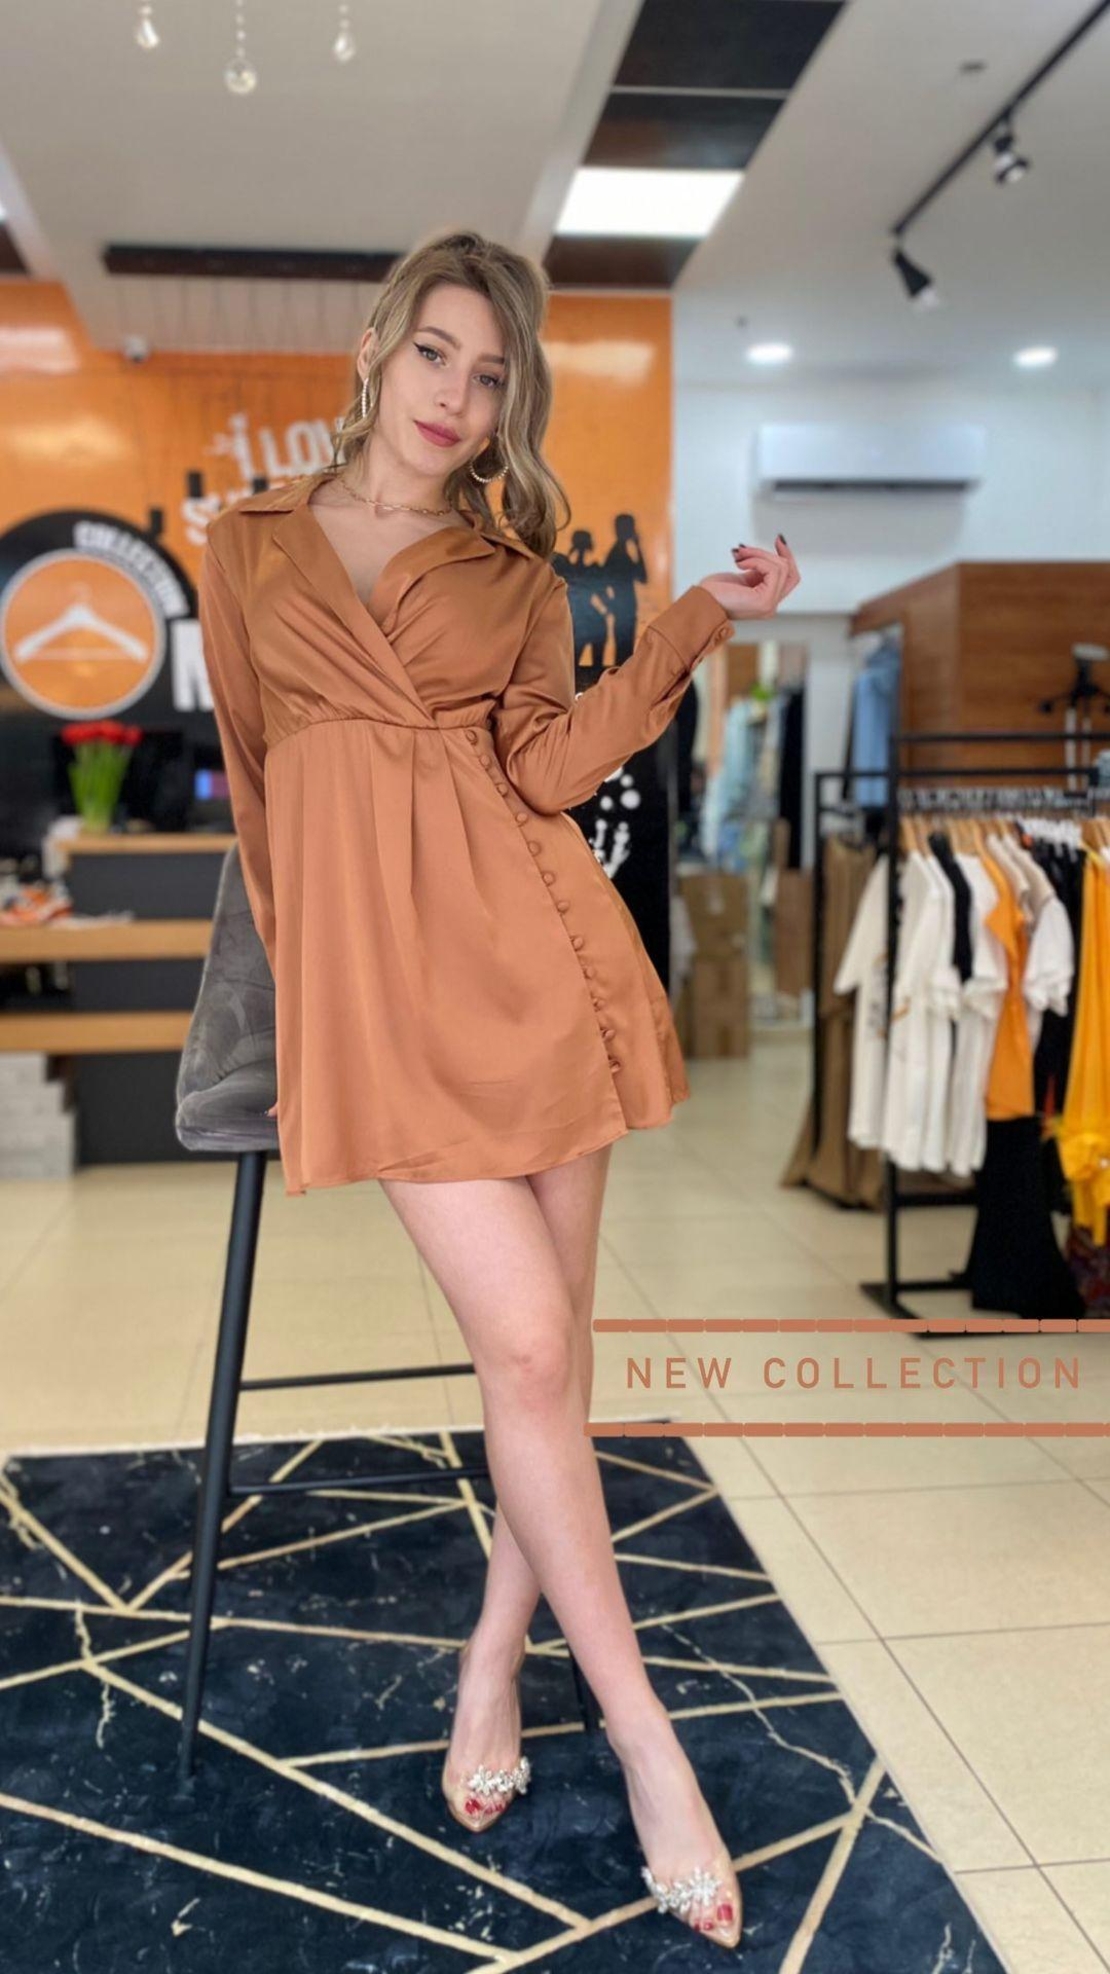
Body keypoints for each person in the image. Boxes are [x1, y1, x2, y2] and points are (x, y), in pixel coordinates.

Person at [199, 227, 800, 1953]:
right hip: (384, 1008)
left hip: (540, 972)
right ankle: (647, 1741)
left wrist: (701, 618)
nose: (458, 396)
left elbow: (544, 766)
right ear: (378, 348)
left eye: (489, 375)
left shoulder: (514, 571)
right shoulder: (244, 547)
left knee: (545, 1359)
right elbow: (261, 802)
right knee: (531, 1348)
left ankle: (492, 1654)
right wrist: (309, 1020)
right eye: (436, 355)